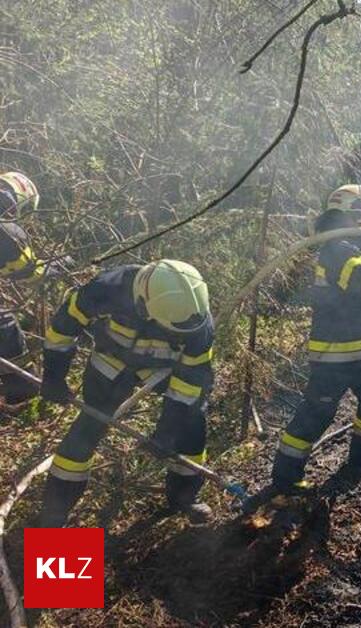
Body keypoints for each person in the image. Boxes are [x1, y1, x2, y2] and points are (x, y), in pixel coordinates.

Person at [37, 260, 215, 525]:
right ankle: (55, 511)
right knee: (88, 428)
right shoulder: (105, 289)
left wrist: (168, 431)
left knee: (191, 425)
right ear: (144, 306)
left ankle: (184, 497)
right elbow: (63, 327)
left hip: (163, 371)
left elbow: (189, 384)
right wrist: (53, 375)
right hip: (111, 364)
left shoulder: (197, 325)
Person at [270, 184, 361, 493]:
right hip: (333, 354)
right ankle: (285, 479)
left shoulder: (358, 247)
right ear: (355, 213)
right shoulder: (336, 248)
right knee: (316, 414)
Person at [0, 171, 44, 406]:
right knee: (4, 325)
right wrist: (62, 263)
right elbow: (29, 274)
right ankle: (21, 391)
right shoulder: (7, 230)